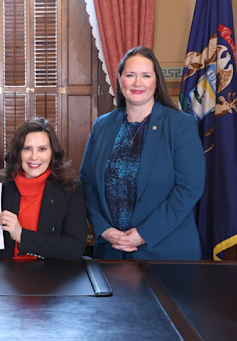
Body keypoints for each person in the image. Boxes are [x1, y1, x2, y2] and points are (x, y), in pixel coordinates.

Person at [80, 46, 205, 260]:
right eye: (130, 75)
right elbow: (87, 183)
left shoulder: (180, 125)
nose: (138, 83)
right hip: (111, 250)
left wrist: (143, 234)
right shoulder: (102, 125)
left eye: (146, 76)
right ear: (120, 80)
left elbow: (189, 188)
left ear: (156, 81)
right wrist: (103, 230)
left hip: (166, 253)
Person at [0, 117, 87, 260]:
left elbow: (75, 247)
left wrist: (22, 235)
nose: (34, 157)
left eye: (42, 149)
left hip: (52, 276)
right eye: (27, 149)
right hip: (5, 276)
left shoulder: (71, 189)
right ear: (18, 152)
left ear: (52, 152)